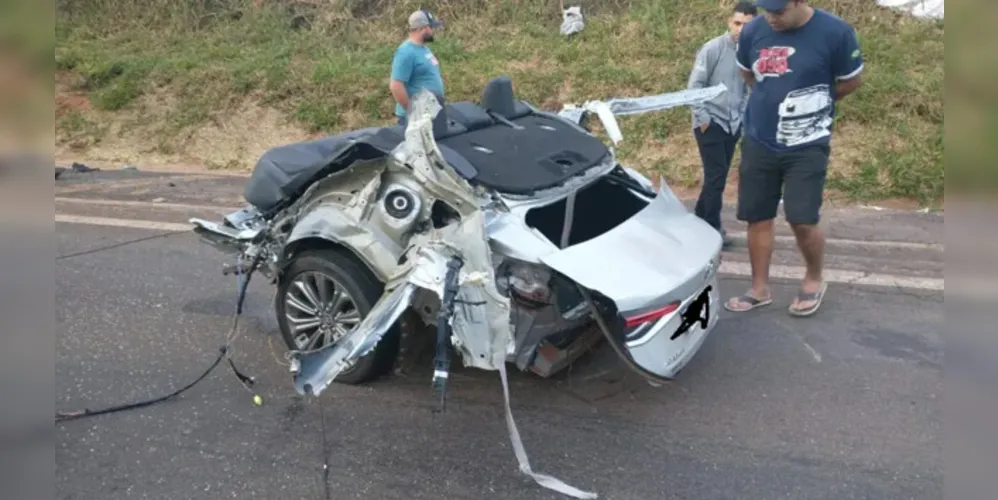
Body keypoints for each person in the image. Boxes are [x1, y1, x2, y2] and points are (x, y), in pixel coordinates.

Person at [724, 0, 864, 317]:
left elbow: (852, 80)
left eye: (778, 11)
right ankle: (759, 289)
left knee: (802, 218)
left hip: (807, 143)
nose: (770, 18)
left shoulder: (836, 32)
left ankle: (814, 278)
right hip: (760, 139)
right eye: (767, 10)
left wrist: (816, 102)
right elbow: (748, 74)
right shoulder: (754, 31)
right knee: (756, 216)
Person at [687, 1, 757, 247]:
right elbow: (694, 87)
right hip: (711, 122)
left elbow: (749, 88)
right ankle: (712, 229)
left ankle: (697, 221)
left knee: (717, 177)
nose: (740, 30)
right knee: (716, 178)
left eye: (746, 26)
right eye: (737, 23)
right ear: (729, 22)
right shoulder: (713, 48)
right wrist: (703, 119)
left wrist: (743, 119)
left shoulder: (750, 51)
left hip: (733, 124)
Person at [389, 9, 445, 127]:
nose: (433, 31)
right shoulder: (406, 52)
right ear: (423, 29)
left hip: (427, 115)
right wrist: (412, 111)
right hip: (413, 119)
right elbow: (396, 85)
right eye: (431, 27)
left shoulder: (424, 49)